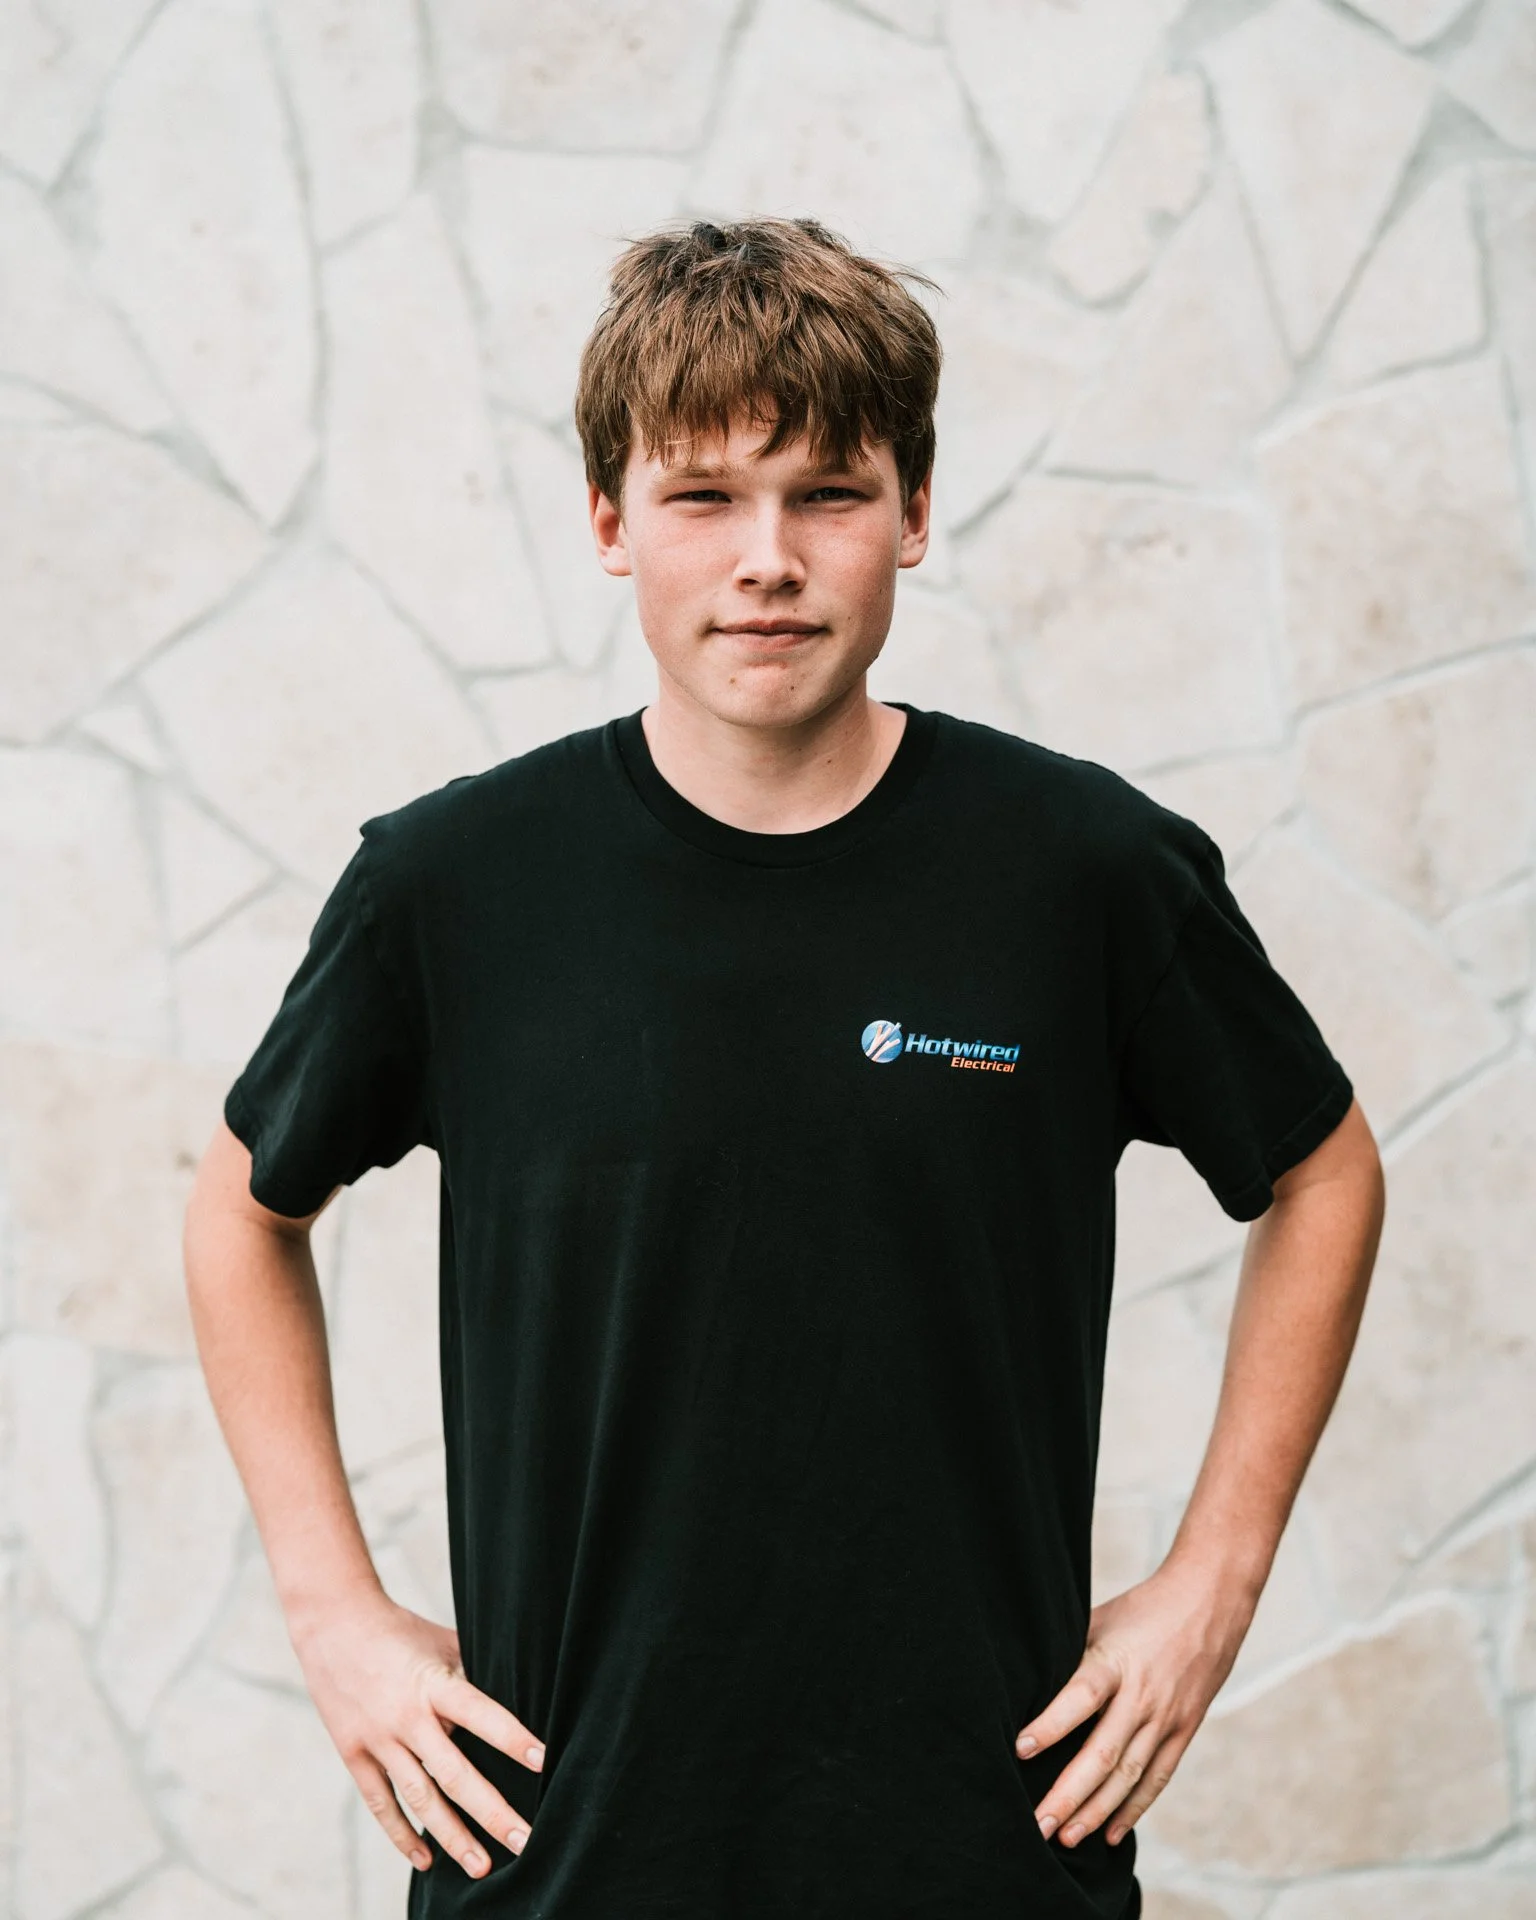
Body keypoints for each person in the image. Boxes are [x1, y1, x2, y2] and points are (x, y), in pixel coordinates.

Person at [183, 216, 1386, 1919]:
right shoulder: (452, 892)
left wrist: (1214, 1583)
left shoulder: (1083, 873)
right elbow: (240, 1214)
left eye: (827, 492)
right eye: (703, 497)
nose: (770, 558)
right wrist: (335, 1617)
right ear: (610, 523)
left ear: (911, 513)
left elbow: (1325, 1172)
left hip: (986, 1856)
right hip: (566, 1861)